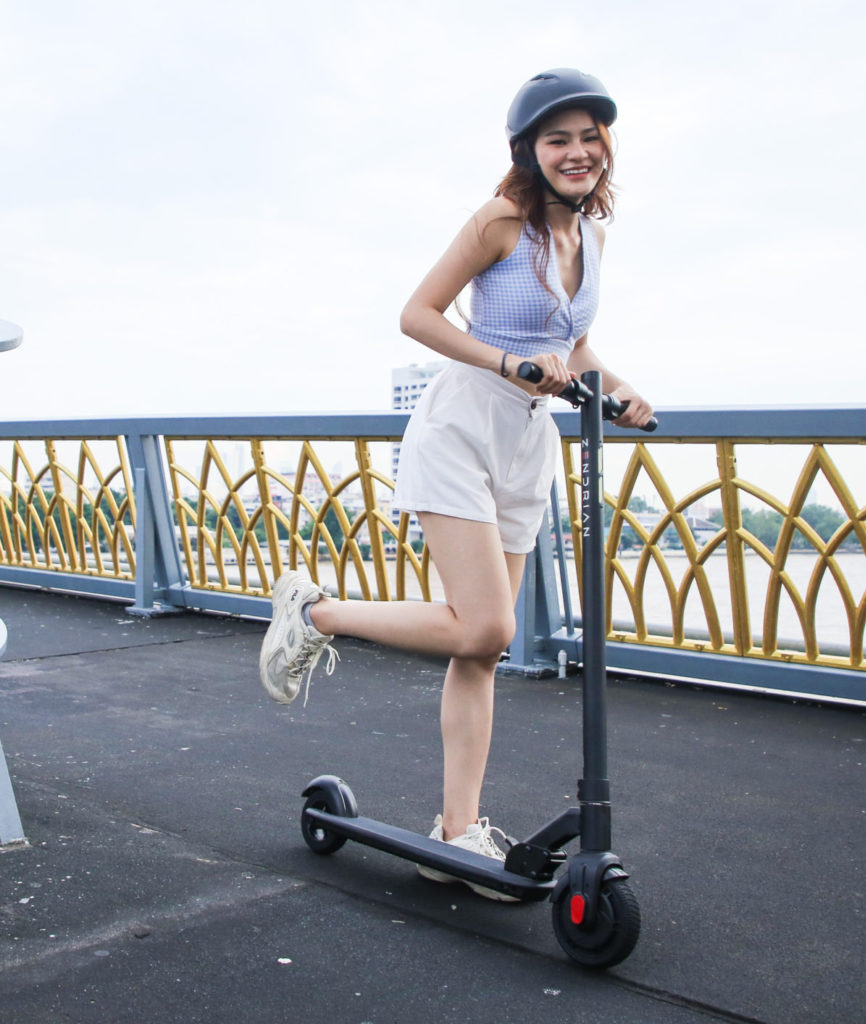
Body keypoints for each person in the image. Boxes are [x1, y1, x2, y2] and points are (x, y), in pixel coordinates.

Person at [259, 68, 653, 900]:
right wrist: (507, 361)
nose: (577, 152)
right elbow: (419, 315)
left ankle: (456, 828)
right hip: (461, 422)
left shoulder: (593, 239)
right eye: (558, 139)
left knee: (482, 649)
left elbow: (572, 348)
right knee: (485, 627)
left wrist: (618, 389)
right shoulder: (499, 220)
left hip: (527, 437)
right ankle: (315, 612)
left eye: (589, 137)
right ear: (529, 151)